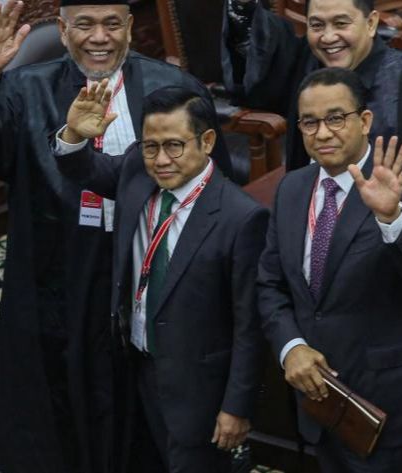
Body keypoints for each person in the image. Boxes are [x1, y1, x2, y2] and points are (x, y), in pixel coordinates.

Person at [0, 1, 236, 471]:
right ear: (61, 30)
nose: (99, 37)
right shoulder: (24, 88)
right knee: (63, 406)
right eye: (85, 25)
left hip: (147, 265)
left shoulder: (173, 89)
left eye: (111, 24)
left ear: (130, 28)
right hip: (58, 270)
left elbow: (217, 186)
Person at [224, 0, 402, 336]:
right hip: (330, 279)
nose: (328, 37)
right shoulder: (309, 78)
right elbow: (254, 86)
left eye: (341, 23)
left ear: (370, 23)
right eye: (317, 25)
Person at [53, 84, 266, 472]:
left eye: (174, 146)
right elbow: (84, 170)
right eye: (152, 146)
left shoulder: (241, 219)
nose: (161, 160)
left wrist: (237, 407)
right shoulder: (137, 167)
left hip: (196, 388)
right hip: (135, 364)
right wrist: (73, 137)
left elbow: (250, 327)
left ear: (207, 141)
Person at [257, 67, 402, 472]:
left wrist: (392, 216)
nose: (323, 133)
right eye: (310, 122)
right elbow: (270, 285)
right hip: (320, 409)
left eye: (336, 118)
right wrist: (291, 348)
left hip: (390, 412)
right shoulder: (291, 189)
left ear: (364, 122)